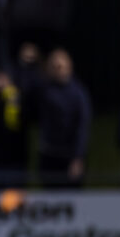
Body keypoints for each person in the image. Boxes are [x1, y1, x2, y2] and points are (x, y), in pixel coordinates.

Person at [26, 48, 91, 188]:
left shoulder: (78, 93)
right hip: (48, 155)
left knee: (72, 199)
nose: (58, 70)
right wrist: (31, 65)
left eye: (61, 66)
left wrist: (78, 157)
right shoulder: (43, 89)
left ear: (69, 66)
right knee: (51, 197)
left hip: (69, 156)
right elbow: (28, 100)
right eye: (54, 66)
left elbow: (82, 127)